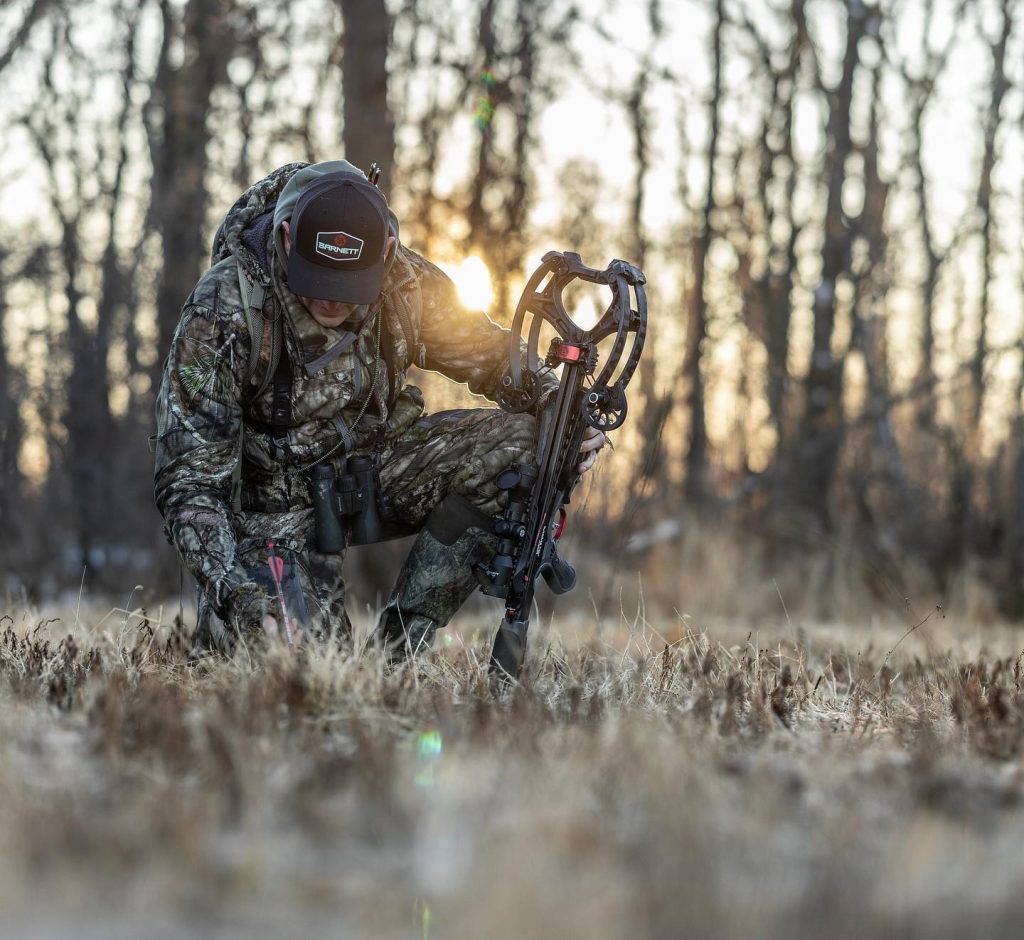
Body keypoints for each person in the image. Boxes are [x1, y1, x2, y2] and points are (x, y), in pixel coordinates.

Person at [154, 160, 607, 658]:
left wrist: (559, 408)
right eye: (316, 279)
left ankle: (398, 658)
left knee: (526, 445)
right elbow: (190, 484)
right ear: (286, 238)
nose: (331, 300)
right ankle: (249, 633)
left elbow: (492, 353)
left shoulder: (405, 283)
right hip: (266, 514)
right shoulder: (221, 310)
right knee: (299, 667)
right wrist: (234, 592)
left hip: (369, 475)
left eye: (348, 287)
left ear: (386, 253)